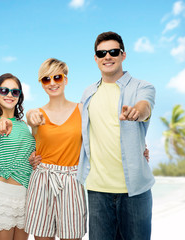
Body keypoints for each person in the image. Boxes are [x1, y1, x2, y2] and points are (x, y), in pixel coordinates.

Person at [77, 31, 156, 240]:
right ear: (95, 58)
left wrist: (136, 112)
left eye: (113, 51)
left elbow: (145, 106)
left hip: (135, 191)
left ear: (123, 55)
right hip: (97, 190)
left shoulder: (142, 86)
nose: (107, 57)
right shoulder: (88, 94)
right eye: (101, 53)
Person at [24, 58, 87, 240]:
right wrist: (30, 115)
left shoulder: (81, 110)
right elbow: (30, 119)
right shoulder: (36, 114)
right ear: (42, 84)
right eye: (46, 79)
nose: (52, 83)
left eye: (57, 77)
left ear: (65, 80)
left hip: (72, 180)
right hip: (43, 180)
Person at [0, 73, 35, 240]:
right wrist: (1, 124)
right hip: (1, 196)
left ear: (19, 96)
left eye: (15, 92)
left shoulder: (24, 126)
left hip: (26, 196)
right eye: (4, 90)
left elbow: (29, 155)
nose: (9, 95)